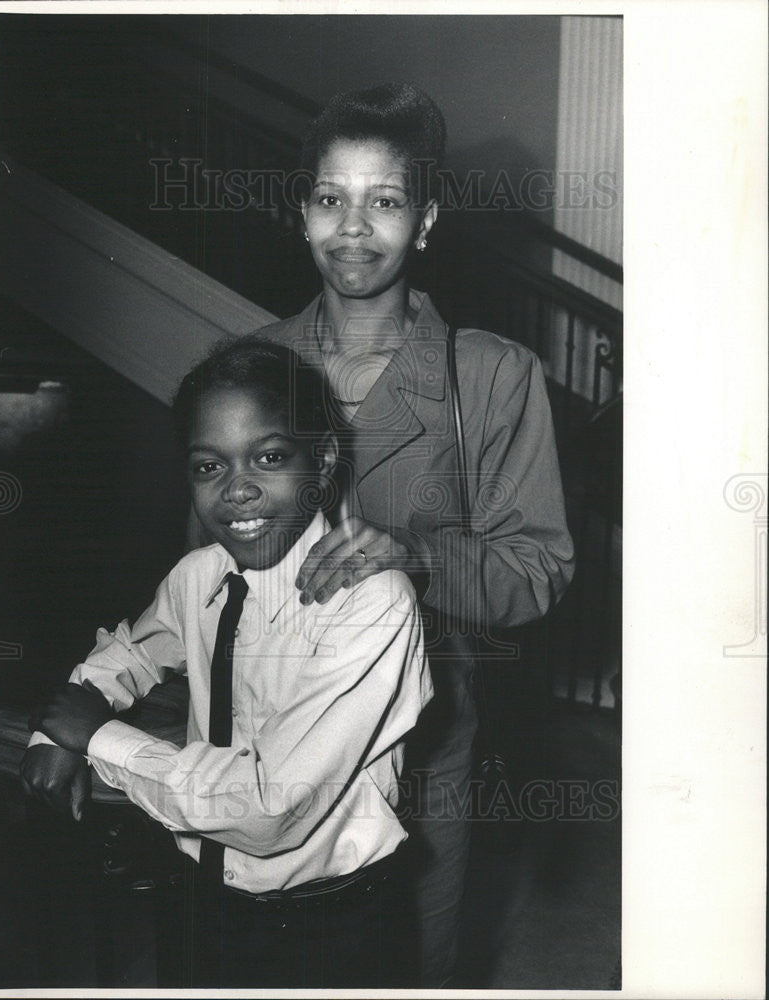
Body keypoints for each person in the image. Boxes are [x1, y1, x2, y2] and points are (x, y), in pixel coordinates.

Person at [246, 82, 576, 987]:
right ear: (301, 211)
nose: (353, 229)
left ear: (424, 221)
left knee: (406, 968)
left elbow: (537, 570)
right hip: (266, 751)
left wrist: (420, 557)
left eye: (383, 202)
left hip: (423, 758)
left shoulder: (494, 377)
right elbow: (199, 578)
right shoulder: (245, 369)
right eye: (329, 199)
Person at [20, 337, 433, 988]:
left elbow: (270, 809)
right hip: (198, 898)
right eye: (208, 466)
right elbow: (133, 652)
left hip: (330, 927)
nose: (237, 490)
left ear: (322, 461)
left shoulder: (371, 601)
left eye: (268, 458)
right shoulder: (198, 576)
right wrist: (57, 729)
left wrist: (96, 738)